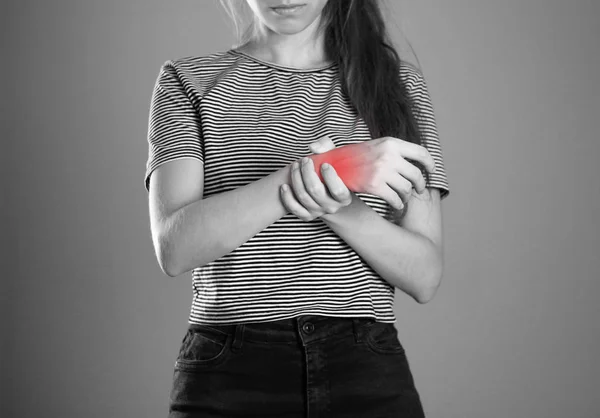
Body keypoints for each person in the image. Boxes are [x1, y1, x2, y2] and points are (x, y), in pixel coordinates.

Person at [144, 0, 450, 416]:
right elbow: (174, 248)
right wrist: (324, 170)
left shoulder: (398, 85)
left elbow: (425, 275)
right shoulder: (187, 80)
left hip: (365, 369)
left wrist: (337, 204)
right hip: (230, 372)